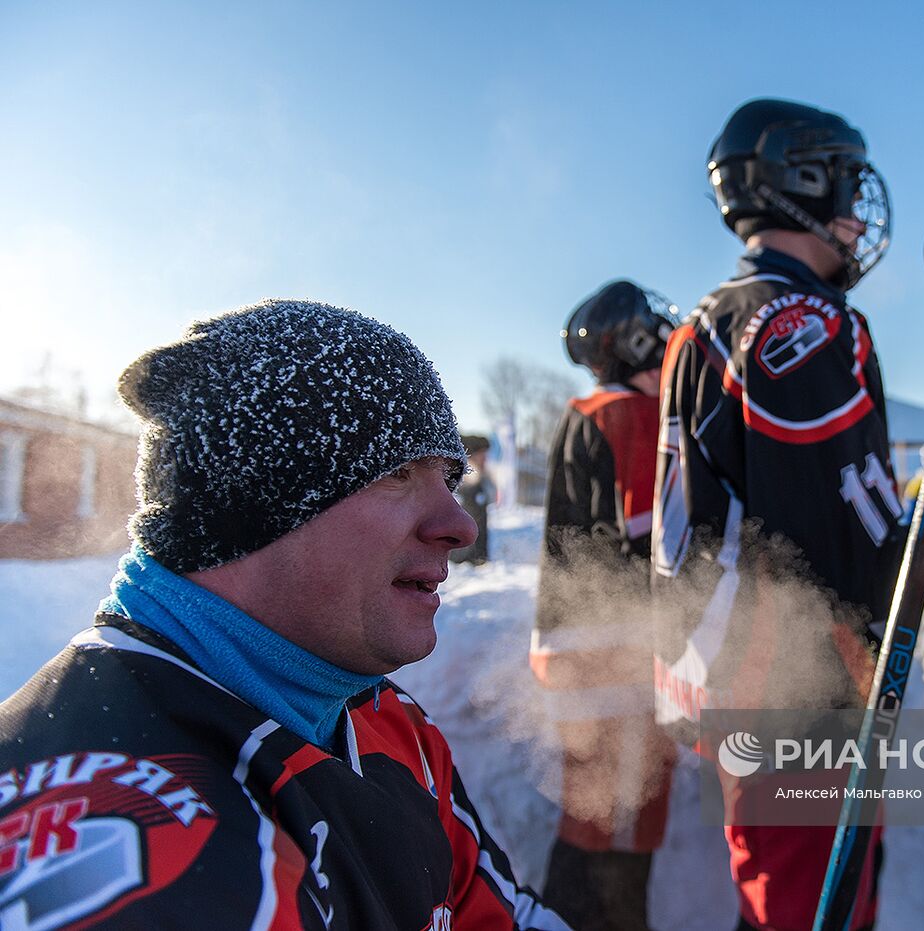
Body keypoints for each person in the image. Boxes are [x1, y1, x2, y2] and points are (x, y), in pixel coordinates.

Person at [652, 98, 924, 931]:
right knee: (813, 912)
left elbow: (790, 511)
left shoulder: (705, 322)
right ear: (801, 182)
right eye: (845, 183)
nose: (856, 213)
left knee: (782, 903)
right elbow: (864, 565)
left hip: (743, 685)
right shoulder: (802, 324)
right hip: (797, 697)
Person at [0, 300, 567, 930]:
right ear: (253, 504)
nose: (459, 526)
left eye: (449, 478)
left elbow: (501, 916)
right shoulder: (119, 824)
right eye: (399, 473)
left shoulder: (384, 720)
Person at [531, 280, 679, 930]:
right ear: (636, 339)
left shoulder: (589, 409)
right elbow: (658, 546)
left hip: (583, 654)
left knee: (594, 819)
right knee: (614, 835)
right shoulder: (631, 414)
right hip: (616, 659)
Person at [452, 434, 496, 565]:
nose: (485, 459)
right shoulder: (464, 484)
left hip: (476, 560)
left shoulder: (480, 481)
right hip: (463, 561)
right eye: (482, 455)